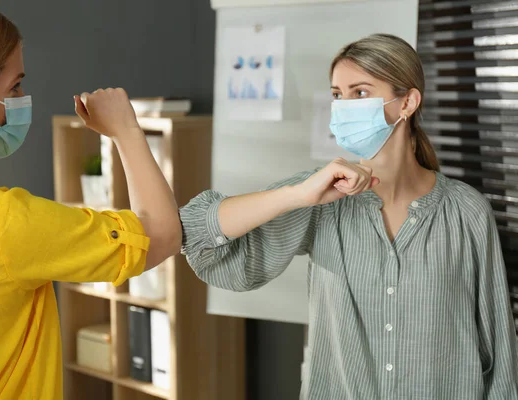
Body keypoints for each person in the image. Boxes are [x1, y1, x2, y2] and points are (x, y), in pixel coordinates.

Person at [180, 34, 518, 399]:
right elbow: (199, 237)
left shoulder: (467, 211)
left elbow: (498, 352)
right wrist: (296, 194)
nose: (343, 107)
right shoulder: (321, 197)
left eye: (359, 93)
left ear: (407, 102)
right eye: (337, 95)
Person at [0, 1, 181, 399]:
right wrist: (126, 129)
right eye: (14, 87)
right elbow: (162, 234)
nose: (23, 99)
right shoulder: (5, 225)